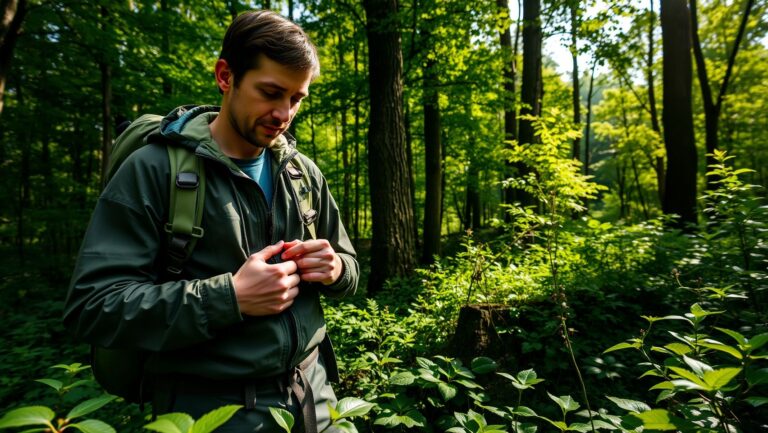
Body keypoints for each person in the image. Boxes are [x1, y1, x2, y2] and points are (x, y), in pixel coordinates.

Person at [63, 10, 358, 433]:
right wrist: (230, 297)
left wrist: (336, 268)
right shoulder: (154, 170)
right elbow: (92, 306)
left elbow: (351, 266)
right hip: (210, 410)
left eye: (296, 99)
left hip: (315, 397)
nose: (283, 113)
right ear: (225, 76)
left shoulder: (302, 173)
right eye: (270, 92)